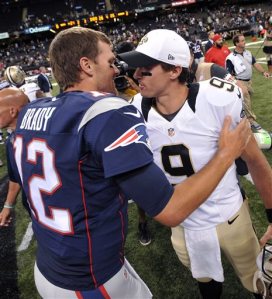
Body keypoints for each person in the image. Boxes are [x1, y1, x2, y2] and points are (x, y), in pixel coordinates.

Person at [9, 27, 251, 299]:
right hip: (90, 276)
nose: (119, 70)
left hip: (49, 266)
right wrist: (225, 155)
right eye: (111, 62)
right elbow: (170, 211)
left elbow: (23, 189)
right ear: (87, 65)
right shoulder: (107, 111)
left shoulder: (30, 114)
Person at [118, 28, 272, 299]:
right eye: (136, 68)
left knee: (259, 283)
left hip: (230, 216)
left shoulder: (216, 100)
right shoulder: (134, 110)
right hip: (184, 226)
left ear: (174, 70)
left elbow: (257, 164)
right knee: (206, 284)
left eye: (146, 68)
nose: (136, 75)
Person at [115, 41, 151, 246]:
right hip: (128, 123)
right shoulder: (114, 71)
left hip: (147, 115)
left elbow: (148, 94)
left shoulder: (142, 67)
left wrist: (133, 85)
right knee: (138, 177)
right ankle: (142, 221)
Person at [226, 34, 270, 130]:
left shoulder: (248, 53)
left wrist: (263, 72)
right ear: (236, 43)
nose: (244, 42)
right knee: (246, 100)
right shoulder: (231, 58)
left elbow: (255, 63)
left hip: (249, 81)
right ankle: (251, 121)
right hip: (240, 82)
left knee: (247, 101)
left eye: (244, 40)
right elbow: (229, 74)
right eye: (242, 41)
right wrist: (238, 83)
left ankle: (243, 118)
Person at [0, 87, 30, 226]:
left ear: (12, 111)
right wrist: (8, 205)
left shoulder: (14, 141)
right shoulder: (11, 140)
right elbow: (16, 177)